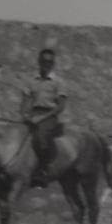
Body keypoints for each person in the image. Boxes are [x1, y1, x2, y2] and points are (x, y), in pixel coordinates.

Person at [21, 48, 68, 187]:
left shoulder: (58, 82)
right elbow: (25, 100)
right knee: (18, 135)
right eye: (44, 61)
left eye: (49, 62)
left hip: (49, 116)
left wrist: (41, 118)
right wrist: (25, 114)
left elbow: (60, 106)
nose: (46, 64)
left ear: (53, 63)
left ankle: (44, 171)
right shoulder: (31, 80)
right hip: (33, 113)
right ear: (39, 62)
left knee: (41, 137)